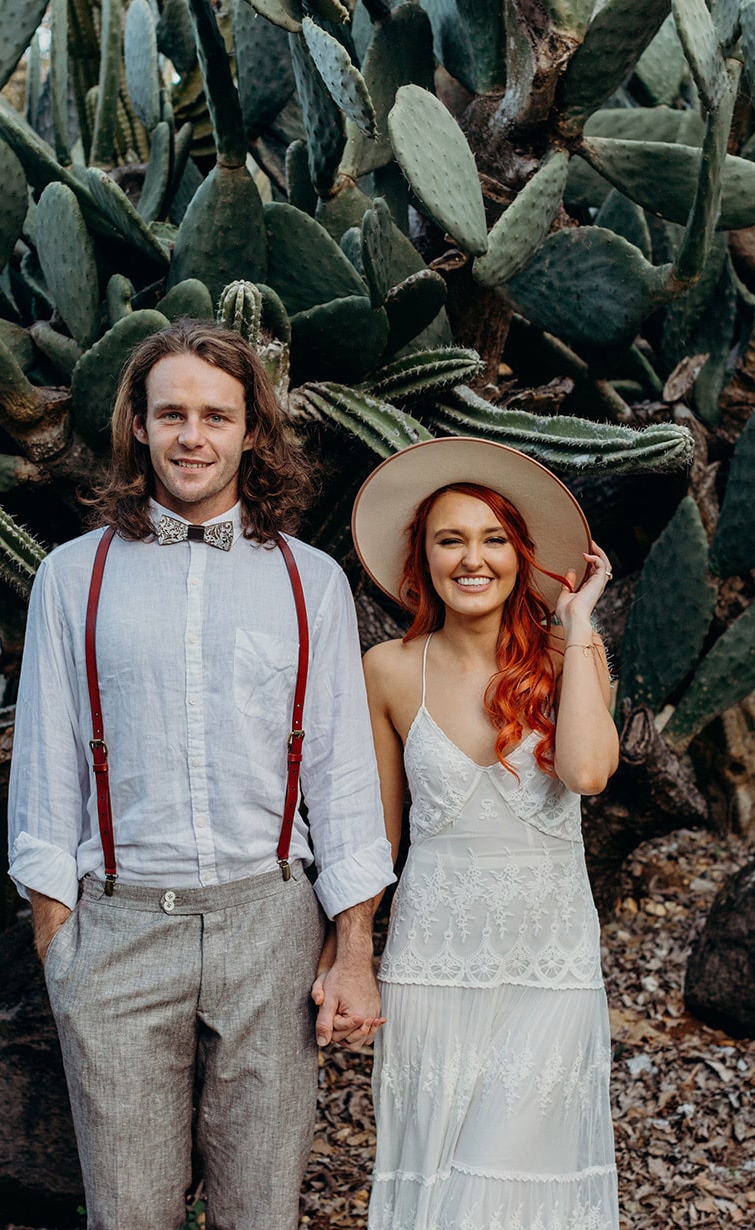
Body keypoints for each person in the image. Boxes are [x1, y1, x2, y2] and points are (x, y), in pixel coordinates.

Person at [8, 320, 395, 1230]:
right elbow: (47, 768)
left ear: (251, 432)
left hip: (270, 926)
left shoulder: (311, 583)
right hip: (117, 927)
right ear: (136, 427)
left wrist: (354, 952)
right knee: (128, 1215)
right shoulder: (73, 578)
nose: (193, 436)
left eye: (216, 416)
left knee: (260, 1212)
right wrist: (57, 942)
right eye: (171, 413)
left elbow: (341, 779)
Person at [350, 436, 620, 1229]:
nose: (473, 559)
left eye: (493, 538)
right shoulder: (389, 670)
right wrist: (351, 956)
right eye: (451, 539)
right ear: (423, 559)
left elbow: (587, 773)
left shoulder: (574, 653)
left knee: (509, 1183)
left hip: (549, 966)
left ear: (520, 554)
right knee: (438, 1189)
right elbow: (379, 834)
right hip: (433, 965)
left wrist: (576, 626)